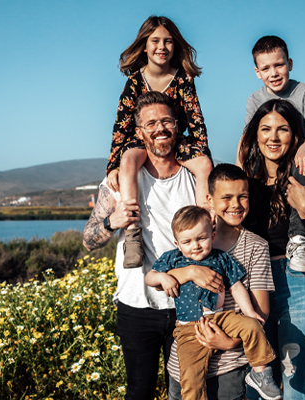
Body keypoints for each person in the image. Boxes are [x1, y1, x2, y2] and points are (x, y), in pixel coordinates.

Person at [83, 91, 221, 400]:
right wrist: (112, 221)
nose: (160, 128)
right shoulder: (118, 183)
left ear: (177, 126)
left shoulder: (195, 178)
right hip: (137, 306)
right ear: (139, 131)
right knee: (139, 392)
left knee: (193, 390)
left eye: (166, 121)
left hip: (190, 304)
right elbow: (88, 239)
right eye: (151, 123)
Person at [238, 99, 305, 400]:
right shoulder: (244, 185)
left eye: (282, 129)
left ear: (295, 136)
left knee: (297, 393)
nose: (273, 137)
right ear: (255, 135)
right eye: (265, 129)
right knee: (259, 392)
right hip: (256, 288)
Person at [164, 163, 278, 400]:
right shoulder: (194, 235)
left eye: (242, 196)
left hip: (228, 365)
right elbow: (159, 280)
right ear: (210, 199)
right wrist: (192, 272)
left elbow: (261, 312)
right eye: (226, 197)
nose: (235, 204)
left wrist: (227, 342)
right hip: (183, 363)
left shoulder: (256, 246)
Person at [107, 15, 213, 269]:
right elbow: (121, 126)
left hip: (177, 140)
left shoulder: (183, 79)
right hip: (140, 141)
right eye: (155, 41)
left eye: (168, 41)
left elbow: (196, 120)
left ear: (175, 46)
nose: (162, 47)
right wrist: (112, 165)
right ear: (144, 45)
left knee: (204, 166)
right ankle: (133, 235)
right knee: (129, 159)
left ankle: (208, 225)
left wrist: (203, 154)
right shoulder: (134, 81)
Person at [237, 35, 305, 273]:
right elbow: (246, 139)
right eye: (266, 68)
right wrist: (238, 171)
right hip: (265, 163)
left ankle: (298, 241)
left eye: (279, 65)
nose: (273, 73)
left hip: (297, 160)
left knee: (304, 166)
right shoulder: (254, 99)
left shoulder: (303, 91)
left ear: (290, 64)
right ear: (257, 72)